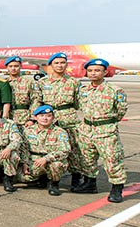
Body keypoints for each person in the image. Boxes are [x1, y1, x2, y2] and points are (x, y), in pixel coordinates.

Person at [72, 58, 128, 203]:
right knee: (87, 158)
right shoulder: (84, 90)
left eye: (97, 70)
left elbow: (121, 111)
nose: (93, 73)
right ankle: (90, 184)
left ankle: (117, 189)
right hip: (86, 129)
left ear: (105, 72)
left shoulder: (114, 90)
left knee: (112, 159)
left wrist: (107, 122)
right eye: (90, 71)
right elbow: (80, 106)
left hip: (106, 130)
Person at [37, 52, 83, 189]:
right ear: (51, 65)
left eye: (62, 62)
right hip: (48, 116)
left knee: (74, 147)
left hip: (67, 116)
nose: (59, 65)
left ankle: (76, 176)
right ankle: (47, 176)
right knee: (46, 145)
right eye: (56, 63)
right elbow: (37, 101)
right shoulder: (42, 82)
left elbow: (77, 102)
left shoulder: (74, 82)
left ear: (66, 65)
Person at [18, 105, 70, 196]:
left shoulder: (60, 132)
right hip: (34, 160)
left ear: (53, 117)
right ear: (35, 117)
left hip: (51, 160)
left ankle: (54, 183)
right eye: (41, 116)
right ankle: (41, 179)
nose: (45, 118)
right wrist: (25, 163)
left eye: (48, 116)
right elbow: (24, 148)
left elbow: (65, 150)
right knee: (22, 177)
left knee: (56, 165)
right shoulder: (28, 131)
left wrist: (46, 159)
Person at [3, 56, 41, 127]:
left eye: (16, 66)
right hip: (8, 118)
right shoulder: (3, 83)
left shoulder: (29, 82)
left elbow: (36, 100)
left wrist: (32, 119)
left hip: (25, 118)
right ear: (7, 67)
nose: (13, 68)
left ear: (21, 66)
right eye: (10, 66)